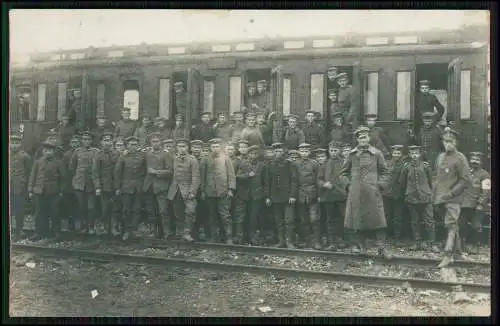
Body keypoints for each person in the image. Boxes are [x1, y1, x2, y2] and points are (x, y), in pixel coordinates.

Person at [341, 126, 390, 256]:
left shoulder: (377, 153)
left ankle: (381, 248)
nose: (364, 139)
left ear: (369, 138)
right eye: (361, 137)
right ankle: (361, 247)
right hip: (356, 193)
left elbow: (385, 172)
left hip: (373, 191)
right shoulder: (351, 155)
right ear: (357, 139)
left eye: (366, 137)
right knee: (358, 221)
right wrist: (348, 186)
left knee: (378, 220)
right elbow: (343, 174)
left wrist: (380, 185)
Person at [433, 128, 472, 268]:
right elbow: (437, 178)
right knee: (452, 225)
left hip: (453, 198)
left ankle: (448, 254)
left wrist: (452, 193)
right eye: (445, 141)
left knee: (450, 225)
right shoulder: (440, 157)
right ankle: (459, 252)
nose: (448, 144)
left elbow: (465, 180)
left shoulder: (460, 158)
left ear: (456, 142)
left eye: (451, 141)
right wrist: (435, 195)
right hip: (440, 198)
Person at [399, 145, 436, 251]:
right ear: (409, 155)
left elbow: (430, 181)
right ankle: (417, 242)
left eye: (416, 153)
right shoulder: (406, 167)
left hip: (425, 197)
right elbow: (403, 182)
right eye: (412, 153)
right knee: (414, 221)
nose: (414, 155)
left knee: (429, 221)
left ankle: (431, 243)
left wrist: (428, 193)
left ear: (419, 154)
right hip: (412, 197)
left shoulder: (425, 166)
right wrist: (408, 193)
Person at [200, 138, 236, 244]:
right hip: (210, 192)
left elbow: (231, 175)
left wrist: (230, 189)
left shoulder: (226, 159)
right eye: (213, 147)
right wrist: (202, 190)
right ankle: (214, 238)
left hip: (223, 191)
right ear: (210, 148)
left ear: (221, 147)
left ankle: (228, 237)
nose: (215, 148)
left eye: (217, 146)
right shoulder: (205, 159)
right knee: (212, 216)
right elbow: (203, 176)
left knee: (225, 215)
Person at [28, 141, 66, 240]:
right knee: (39, 213)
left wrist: (61, 191)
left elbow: (63, 178)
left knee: (55, 212)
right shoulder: (38, 161)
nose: (47, 152)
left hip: (53, 192)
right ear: (43, 151)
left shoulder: (58, 162)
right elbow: (33, 176)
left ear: (53, 151)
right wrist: (30, 189)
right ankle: (40, 232)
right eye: (45, 150)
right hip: (39, 191)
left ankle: (56, 233)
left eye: (50, 150)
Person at [264, 142, 299, 248]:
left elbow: (294, 181)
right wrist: (267, 197)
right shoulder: (269, 165)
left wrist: (293, 195)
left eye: (279, 151)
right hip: (275, 197)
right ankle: (281, 241)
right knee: (278, 220)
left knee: (289, 220)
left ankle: (289, 241)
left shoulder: (289, 164)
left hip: (288, 197)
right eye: (275, 151)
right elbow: (267, 182)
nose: (277, 153)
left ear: (283, 152)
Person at [114, 136, 147, 241]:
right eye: (131, 144)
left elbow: (145, 171)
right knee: (126, 210)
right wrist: (118, 187)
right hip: (126, 187)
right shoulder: (123, 157)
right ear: (127, 145)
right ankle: (126, 230)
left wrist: (143, 185)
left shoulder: (142, 156)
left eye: (135, 144)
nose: (133, 146)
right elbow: (117, 173)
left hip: (138, 187)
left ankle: (133, 229)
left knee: (137, 209)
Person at [167, 138, 200, 242]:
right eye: (180, 146)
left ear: (188, 148)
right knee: (178, 212)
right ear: (176, 148)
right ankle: (180, 232)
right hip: (176, 190)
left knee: (190, 212)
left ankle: (187, 233)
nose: (182, 149)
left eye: (184, 146)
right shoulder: (173, 158)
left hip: (187, 190)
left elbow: (196, 177)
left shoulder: (192, 160)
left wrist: (192, 192)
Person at [143, 132, 174, 239]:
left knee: (163, 211)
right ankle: (153, 232)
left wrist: (156, 172)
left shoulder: (166, 154)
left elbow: (170, 171)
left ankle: (167, 233)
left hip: (161, 186)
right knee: (151, 211)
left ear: (160, 142)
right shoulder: (147, 153)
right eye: (153, 141)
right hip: (149, 186)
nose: (155, 143)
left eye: (157, 141)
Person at [319, 141, 348, 250]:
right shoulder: (325, 164)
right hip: (328, 196)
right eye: (331, 150)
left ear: (339, 151)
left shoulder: (344, 163)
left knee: (342, 218)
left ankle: (341, 240)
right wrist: (324, 184)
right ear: (329, 151)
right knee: (330, 219)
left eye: (335, 150)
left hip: (341, 195)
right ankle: (332, 242)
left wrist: (345, 189)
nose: (333, 152)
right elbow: (319, 179)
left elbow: (347, 177)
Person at [460, 152, 490, 253]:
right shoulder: (465, 173)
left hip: (477, 206)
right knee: (461, 225)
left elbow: (486, 191)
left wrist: (481, 204)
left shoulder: (485, 174)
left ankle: (475, 245)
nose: (474, 162)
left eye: (477, 160)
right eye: (473, 160)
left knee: (475, 225)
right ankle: (462, 245)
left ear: (481, 162)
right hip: (464, 204)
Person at [70, 131, 99, 233]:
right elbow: (72, 167)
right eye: (84, 139)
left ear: (91, 141)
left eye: (88, 139)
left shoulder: (96, 151)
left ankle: (91, 226)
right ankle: (83, 226)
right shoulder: (77, 151)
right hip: (79, 183)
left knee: (91, 207)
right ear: (81, 141)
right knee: (81, 207)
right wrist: (76, 179)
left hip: (91, 183)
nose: (86, 141)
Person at [92, 132, 120, 236]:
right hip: (104, 186)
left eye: (109, 140)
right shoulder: (98, 155)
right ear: (101, 142)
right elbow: (95, 173)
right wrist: (97, 187)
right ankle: (102, 226)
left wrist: (118, 186)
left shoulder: (117, 154)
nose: (107, 142)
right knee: (104, 208)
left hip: (115, 186)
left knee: (115, 208)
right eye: (105, 140)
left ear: (112, 142)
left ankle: (113, 228)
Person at [296, 143, 321, 249]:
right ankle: (306, 241)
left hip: (313, 193)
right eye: (302, 151)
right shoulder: (295, 164)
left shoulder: (314, 163)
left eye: (306, 151)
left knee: (314, 219)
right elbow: (294, 180)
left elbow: (318, 179)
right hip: (300, 194)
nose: (304, 153)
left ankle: (317, 241)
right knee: (303, 219)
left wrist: (319, 194)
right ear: (299, 152)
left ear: (309, 152)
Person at [382, 145, 407, 244]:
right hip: (387, 194)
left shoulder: (404, 165)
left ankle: (397, 238)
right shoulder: (387, 164)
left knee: (398, 217)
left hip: (398, 194)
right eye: (394, 153)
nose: (396, 155)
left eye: (398, 153)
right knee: (386, 216)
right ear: (392, 154)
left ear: (401, 154)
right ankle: (386, 237)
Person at [10, 135, 31, 240]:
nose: (14, 145)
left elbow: (28, 172)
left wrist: (24, 185)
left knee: (19, 210)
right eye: (12, 142)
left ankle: (19, 230)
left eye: (16, 143)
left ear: (20, 144)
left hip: (19, 187)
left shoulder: (24, 156)